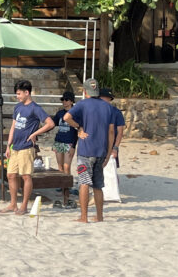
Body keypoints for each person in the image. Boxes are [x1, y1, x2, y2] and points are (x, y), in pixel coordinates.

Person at [63, 78, 114, 223]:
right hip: (101, 151)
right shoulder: (108, 107)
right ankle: (99, 216)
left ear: (85, 91)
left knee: (84, 183)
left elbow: (67, 117)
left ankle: (84, 217)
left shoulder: (83, 104)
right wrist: (109, 152)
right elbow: (111, 132)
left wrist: (79, 127)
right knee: (98, 185)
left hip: (86, 150)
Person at [1, 80, 55, 215]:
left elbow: (50, 123)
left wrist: (35, 133)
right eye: (16, 94)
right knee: (11, 175)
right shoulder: (18, 107)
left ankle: (24, 206)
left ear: (27, 92)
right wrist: (8, 146)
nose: (17, 96)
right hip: (15, 147)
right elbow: (13, 127)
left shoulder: (35, 108)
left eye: (19, 94)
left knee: (26, 176)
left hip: (26, 147)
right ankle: (13, 204)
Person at [52, 91, 78, 208]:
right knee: (60, 166)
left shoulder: (76, 113)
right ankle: (62, 185)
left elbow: (78, 131)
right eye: (63, 100)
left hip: (69, 142)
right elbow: (52, 124)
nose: (64, 102)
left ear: (72, 101)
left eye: (66, 100)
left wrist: (73, 146)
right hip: (59, 141)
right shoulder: (59, 113)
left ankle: (68, 187)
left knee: (67, 166)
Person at [99, 88, 125, 168]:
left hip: (111, 145)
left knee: (110, 171)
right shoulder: (95, 110)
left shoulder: (116, 112)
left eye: (108, 98)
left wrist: (115, 148)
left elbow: (120, 132)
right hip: (97, 145)